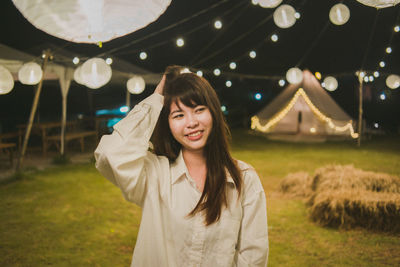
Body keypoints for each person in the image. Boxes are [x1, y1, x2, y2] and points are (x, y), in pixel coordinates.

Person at [95, 65, 268, 266]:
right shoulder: (155, 174)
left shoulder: (243, 178)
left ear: (214, 113)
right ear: (167, 123)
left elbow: (253, 256)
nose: (191, 122)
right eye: (179, 115)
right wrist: (158, 97)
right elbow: (109, 154)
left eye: (199, 110)